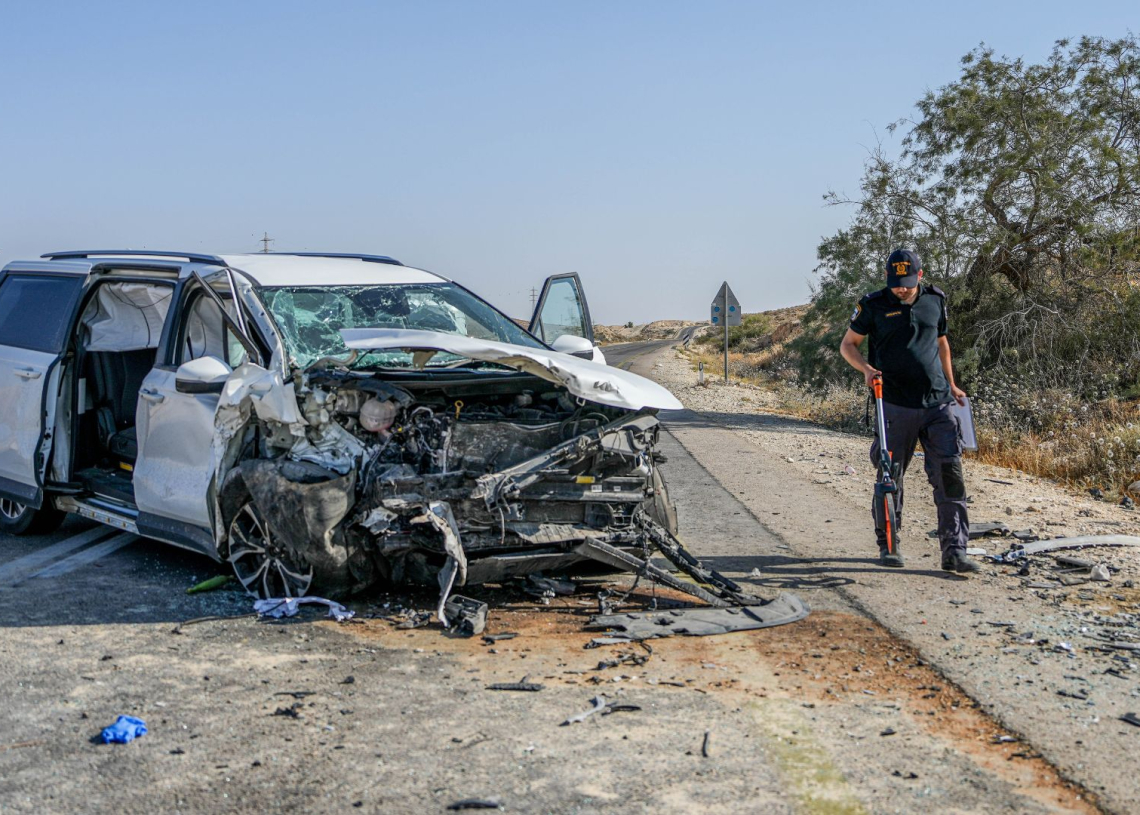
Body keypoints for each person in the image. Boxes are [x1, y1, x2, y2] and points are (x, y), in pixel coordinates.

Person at [838, 249, 977, 574]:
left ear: (921, 275)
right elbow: (848, 345)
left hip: (938, 403)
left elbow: (942, 343)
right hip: (894, 404)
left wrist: (952, 384)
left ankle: (955, 552)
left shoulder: (935, 300)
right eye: (896, 283)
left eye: (908, 283)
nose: (901, 289)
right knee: (890, 476)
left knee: (949, 476)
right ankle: (889, 545)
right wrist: (866, 370)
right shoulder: (872, 304)